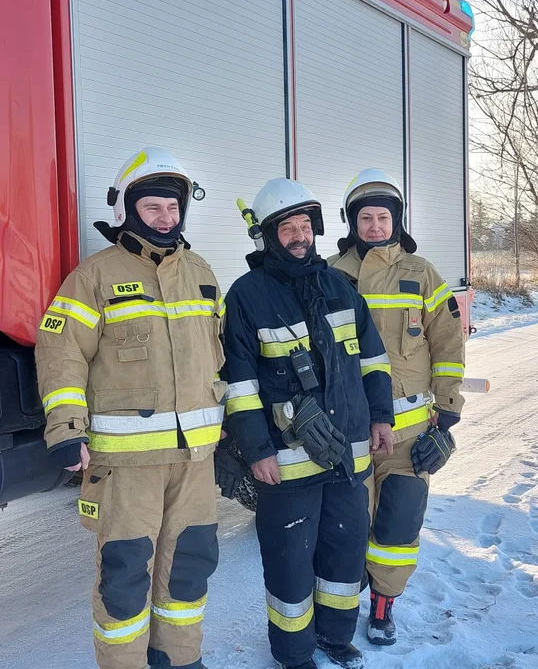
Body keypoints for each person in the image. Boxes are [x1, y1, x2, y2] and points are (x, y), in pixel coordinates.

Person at [35, 147, 226, 669]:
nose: (165, 218)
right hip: (126, 464)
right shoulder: (93, 276)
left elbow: (220, 358)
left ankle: (180, 659)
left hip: (194, 461)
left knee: (188, 566)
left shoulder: (202, 272)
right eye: (153, 209)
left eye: (172, 208)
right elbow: (61, 352)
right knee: (124, 574)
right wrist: (66, 429)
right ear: (128, 211)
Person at [221, 178, 394, 669]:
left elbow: (374, 362)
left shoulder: (340, 287)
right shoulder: (246, 296)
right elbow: (239, 384)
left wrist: (380, 417)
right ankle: (295, 654)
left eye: (304, 226)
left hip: (348, 455)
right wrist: (256, 449)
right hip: (287, 464)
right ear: (268, 236)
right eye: (287, 228)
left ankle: (336, 637)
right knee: (290, 564)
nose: (299, 236)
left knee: (343, 553)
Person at [328, 168, 465, 647]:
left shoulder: (421, 273)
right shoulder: (329, 274)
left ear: (396, 221)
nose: (374, 227)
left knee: (398, 523)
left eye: (383, 217)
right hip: (346, 430)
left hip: (408, 434)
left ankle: (384, 605)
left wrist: (446, 415)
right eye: (365, 218)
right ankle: (343, 605)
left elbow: (448, 344)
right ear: (352, 223)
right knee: (347, 526)